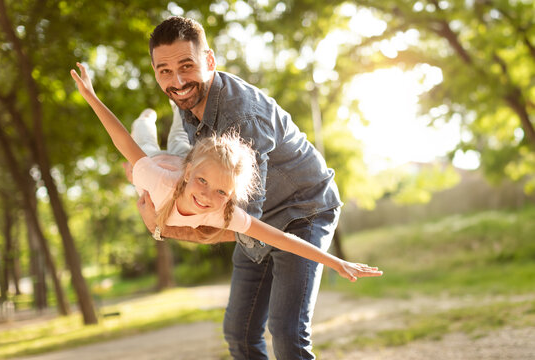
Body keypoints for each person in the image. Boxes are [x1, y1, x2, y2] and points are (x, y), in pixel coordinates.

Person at [130, 16, 379, 359]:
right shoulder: (190, 104)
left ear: (209, 61)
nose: (178, 81)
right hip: (259, 217)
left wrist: (169, 229)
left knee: (288, 333)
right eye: (165, 72)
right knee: (240, 334)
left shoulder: (240, 120)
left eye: (187, 66)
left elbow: (245, 223)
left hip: (302, 210)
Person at [70, 62, 382, 280]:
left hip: (189, 165)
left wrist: (336, 262)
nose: (207, 197)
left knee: (180, 140)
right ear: (193, 173)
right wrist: (91, 97)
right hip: (165, 168)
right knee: (144, 141)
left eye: (222, 192)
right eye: (205, 184)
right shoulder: (156, 179)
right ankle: (153, 116)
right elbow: (120, 138)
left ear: (232, 196)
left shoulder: (227, 212)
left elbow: (284, 239)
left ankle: (177, 117)